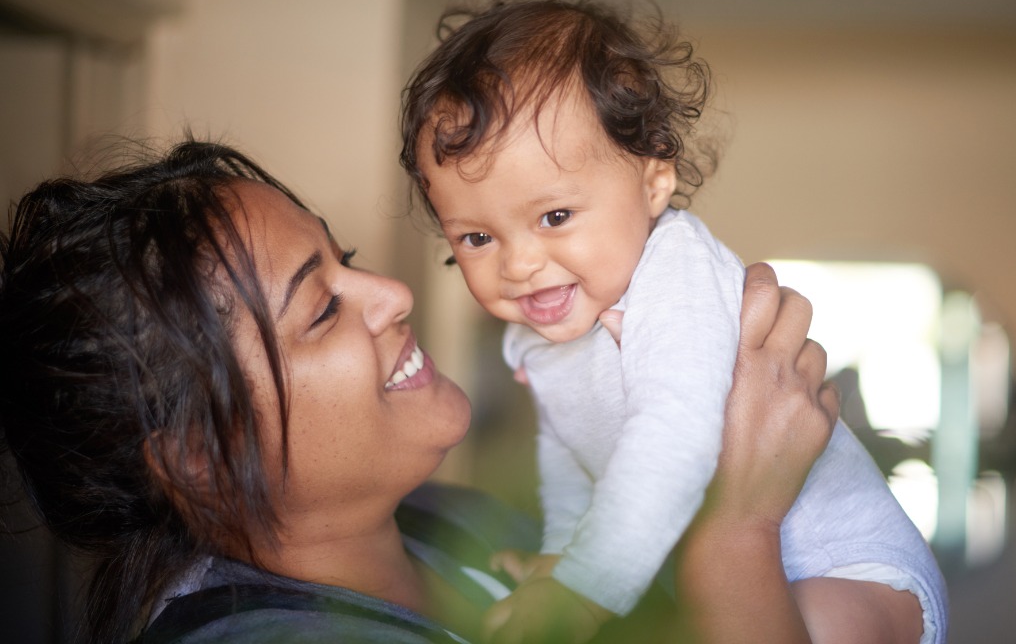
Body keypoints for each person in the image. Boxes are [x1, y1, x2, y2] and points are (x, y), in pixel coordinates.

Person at [0, 138, 858, 644]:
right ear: (197, 456)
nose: (394, 296)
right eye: (321, 310)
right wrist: (737, 528)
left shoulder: (459, 526)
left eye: (347, 259)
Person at [399, 0, 947, 644]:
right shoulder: (539, 330)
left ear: (654, 182)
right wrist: (562, 557)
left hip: (850, 565)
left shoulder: (674, 271)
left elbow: (675, 437)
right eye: (477, 238)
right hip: (718, 557)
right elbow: (567, 452)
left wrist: (583, 587)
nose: (519, 266)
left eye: (555, 217)